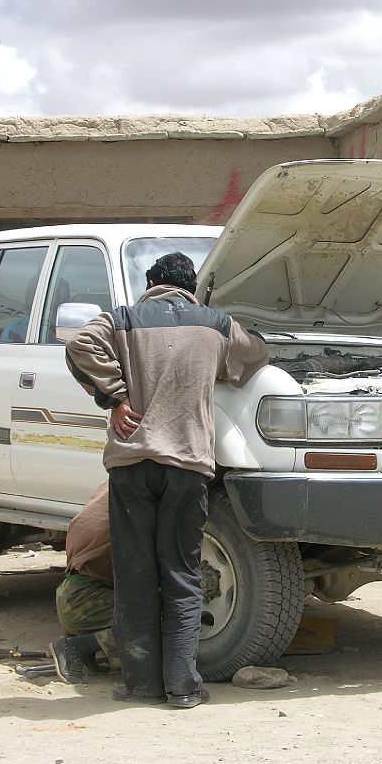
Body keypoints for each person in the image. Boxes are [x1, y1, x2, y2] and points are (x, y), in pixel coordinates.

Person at [64, 252, 268, 708]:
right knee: (181, 573)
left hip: (132, 466)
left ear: (151, 282)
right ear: (190, 287)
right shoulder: (215, 324)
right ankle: (182, 687)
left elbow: (79, 345)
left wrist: (114, 396)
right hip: (187, 466)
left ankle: (139, 685)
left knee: (136, 574)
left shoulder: (121, 319)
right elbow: (256, 354)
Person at [50, 483, 117, 684]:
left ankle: (84, 646)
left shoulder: (113, 484)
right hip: (84, 599)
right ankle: (76, 647)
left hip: (73, 592)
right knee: (156, 621)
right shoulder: (134, 498)